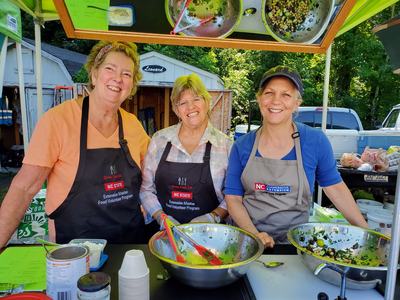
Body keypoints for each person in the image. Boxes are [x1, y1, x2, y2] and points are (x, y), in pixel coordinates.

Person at [0, 41, 150, 246]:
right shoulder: (57, 120)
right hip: (74, 253)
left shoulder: (133, 125)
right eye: (110, 69)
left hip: (129, 248)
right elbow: (24, 187)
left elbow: (156, 172)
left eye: (127, 74)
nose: (118, 78)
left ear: (132, 85)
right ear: (94, 74)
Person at [224, 65, 368, 248]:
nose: (276, 101)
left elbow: (336, 189)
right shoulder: (241, 146)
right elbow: (233, 198)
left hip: (296, 245)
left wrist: (366, 234)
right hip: (248, 243)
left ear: (296, 103)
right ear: (259, 99)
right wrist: (254, 235)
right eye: (269, 93)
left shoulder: (315, 141)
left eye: (286, 95)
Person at [140, 73, 232, 230]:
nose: (191, 107)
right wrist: (161, 217)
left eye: (196, 99)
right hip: (164, 236)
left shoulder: (226, 146)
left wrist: (213, 217)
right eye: (183, 103)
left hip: (211, 238)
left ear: (207, 101)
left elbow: (233, 196)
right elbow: (145, 189)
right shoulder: (159, 140)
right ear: (176, 110)